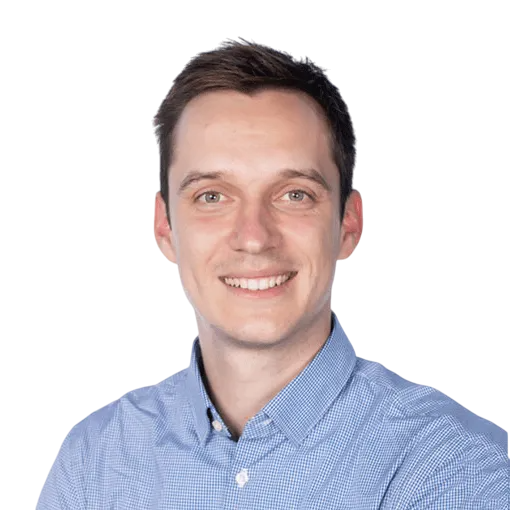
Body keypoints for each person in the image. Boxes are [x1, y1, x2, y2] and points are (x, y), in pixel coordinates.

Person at [36, 38, 508, 509]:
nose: (255, 237)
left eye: (294, 194)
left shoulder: (458, 467)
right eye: (211, 196)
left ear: (348, 225)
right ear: (165, 228)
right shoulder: (93, 461)